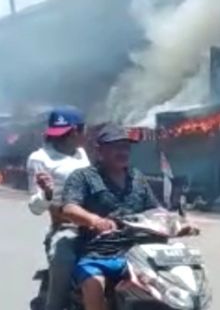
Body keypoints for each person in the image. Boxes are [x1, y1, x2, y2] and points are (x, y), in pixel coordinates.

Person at [58, 123, 163, 310]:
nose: (123, 152)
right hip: (98, 253)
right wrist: (95, 220)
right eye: (116, 147)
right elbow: (69, 208)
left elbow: (154, 210)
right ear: (100, 151)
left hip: (136, 253)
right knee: (93, 284)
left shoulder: (137, 177)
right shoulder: (83, 177)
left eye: (126, 147)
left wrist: (176, 223)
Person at [26, 106, 90, 310]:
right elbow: (35, 207)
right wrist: (47, 193)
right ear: (77, 132)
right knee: (63, 260)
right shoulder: (40, 158)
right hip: (66, 228)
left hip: (96, 223)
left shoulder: (81, 154)